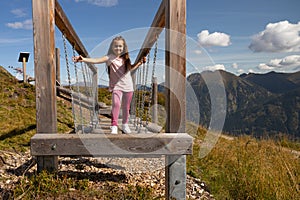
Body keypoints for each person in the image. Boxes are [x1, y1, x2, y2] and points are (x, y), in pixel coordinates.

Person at [73, 36, 146, 134]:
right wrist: (83, 59)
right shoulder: (109, 57)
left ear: (124, 47)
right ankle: (114, 125)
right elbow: (96, 60)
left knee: (126, 107)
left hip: (128, 86)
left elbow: (129, 70)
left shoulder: (126, 58)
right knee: (116, 104)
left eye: (120, 46)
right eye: (116, 46)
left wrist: (140, 63)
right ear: (112, 47)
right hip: (116, 86)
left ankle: (125, 124)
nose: (118, 48)